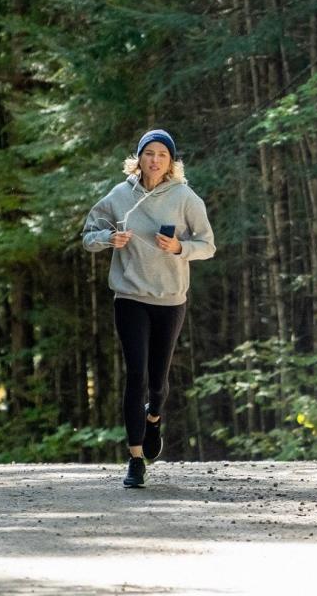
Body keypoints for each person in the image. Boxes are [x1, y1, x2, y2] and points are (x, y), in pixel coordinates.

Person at [81, 129, 216, 488]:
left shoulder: (186, 198)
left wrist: (178, 248)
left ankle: (153, 417)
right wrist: (109, 239)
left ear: (171, 162)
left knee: (157, 381)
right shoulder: (120, 196)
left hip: (170, 299)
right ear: (138, 158)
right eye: (149, 153)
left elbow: (207, 245)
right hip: (129, 297)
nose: (155, 160)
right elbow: (88, 235)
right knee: (136, 375)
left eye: (162, 154)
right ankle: (135, 458)